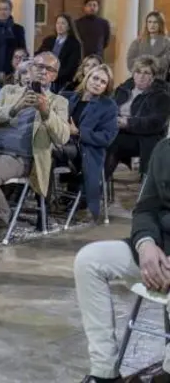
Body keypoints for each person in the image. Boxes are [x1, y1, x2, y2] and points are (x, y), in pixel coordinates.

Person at [74, 139, 170, 383]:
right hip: (159, 247)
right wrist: (146, 243)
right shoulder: (164, 149)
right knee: (89, 260)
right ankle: (105, 373)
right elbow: (146, 207)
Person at [0, 52, 70, 243]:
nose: (43, 72)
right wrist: (15, 108)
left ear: (54, 76)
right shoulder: (9, 91)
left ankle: (4, 222)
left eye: (49, 69)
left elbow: (63, 137)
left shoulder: (59, 102)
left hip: (18, 157)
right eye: (39, 66)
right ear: (31, 69)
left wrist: (46, 112)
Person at [58, 65, 119, 223]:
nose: (98, 83)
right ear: (87, 78)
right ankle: (36, 200)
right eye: (95, 78)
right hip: (60, 143)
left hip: (85, 150)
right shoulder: (67, 97)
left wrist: (78, 133)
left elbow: (107, 137)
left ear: (107, 86)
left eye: (103, 82)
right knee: (40, 149)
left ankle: (40, 202)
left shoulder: (108, 106)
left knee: (47, 151)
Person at [106, 55, 170, 179]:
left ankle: (95, 185)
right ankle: (81, 182)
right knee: (91, 140)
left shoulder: (161, 96)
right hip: (117, 131)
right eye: (138, 72)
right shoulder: (123, 89)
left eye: (146, 73)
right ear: (133, 73)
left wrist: (128, 123)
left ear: (153, 76)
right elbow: (108, 108)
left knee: (111, 143)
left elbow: (156, 123)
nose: (141, 76)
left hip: (143, 138)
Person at [36, 13, 83, 92]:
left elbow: (71, 66)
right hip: (44, 79)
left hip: (62, 82)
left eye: (63, 23)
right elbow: (39, 55)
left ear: (69, 27)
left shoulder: (74, 44)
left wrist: (53, 76)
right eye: (58, 23)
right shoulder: (48, 40)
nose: (59, 26)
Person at [127, 11, 170, 79]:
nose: (152, 25)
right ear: (146, 24)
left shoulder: (167, 43)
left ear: (160, 24)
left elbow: (165, 64)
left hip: (159, 81)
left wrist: (142, 60)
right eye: (149, 22)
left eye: (155, 22)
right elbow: (130, 63)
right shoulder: (137, 42)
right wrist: (155, 61)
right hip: (139, 81)